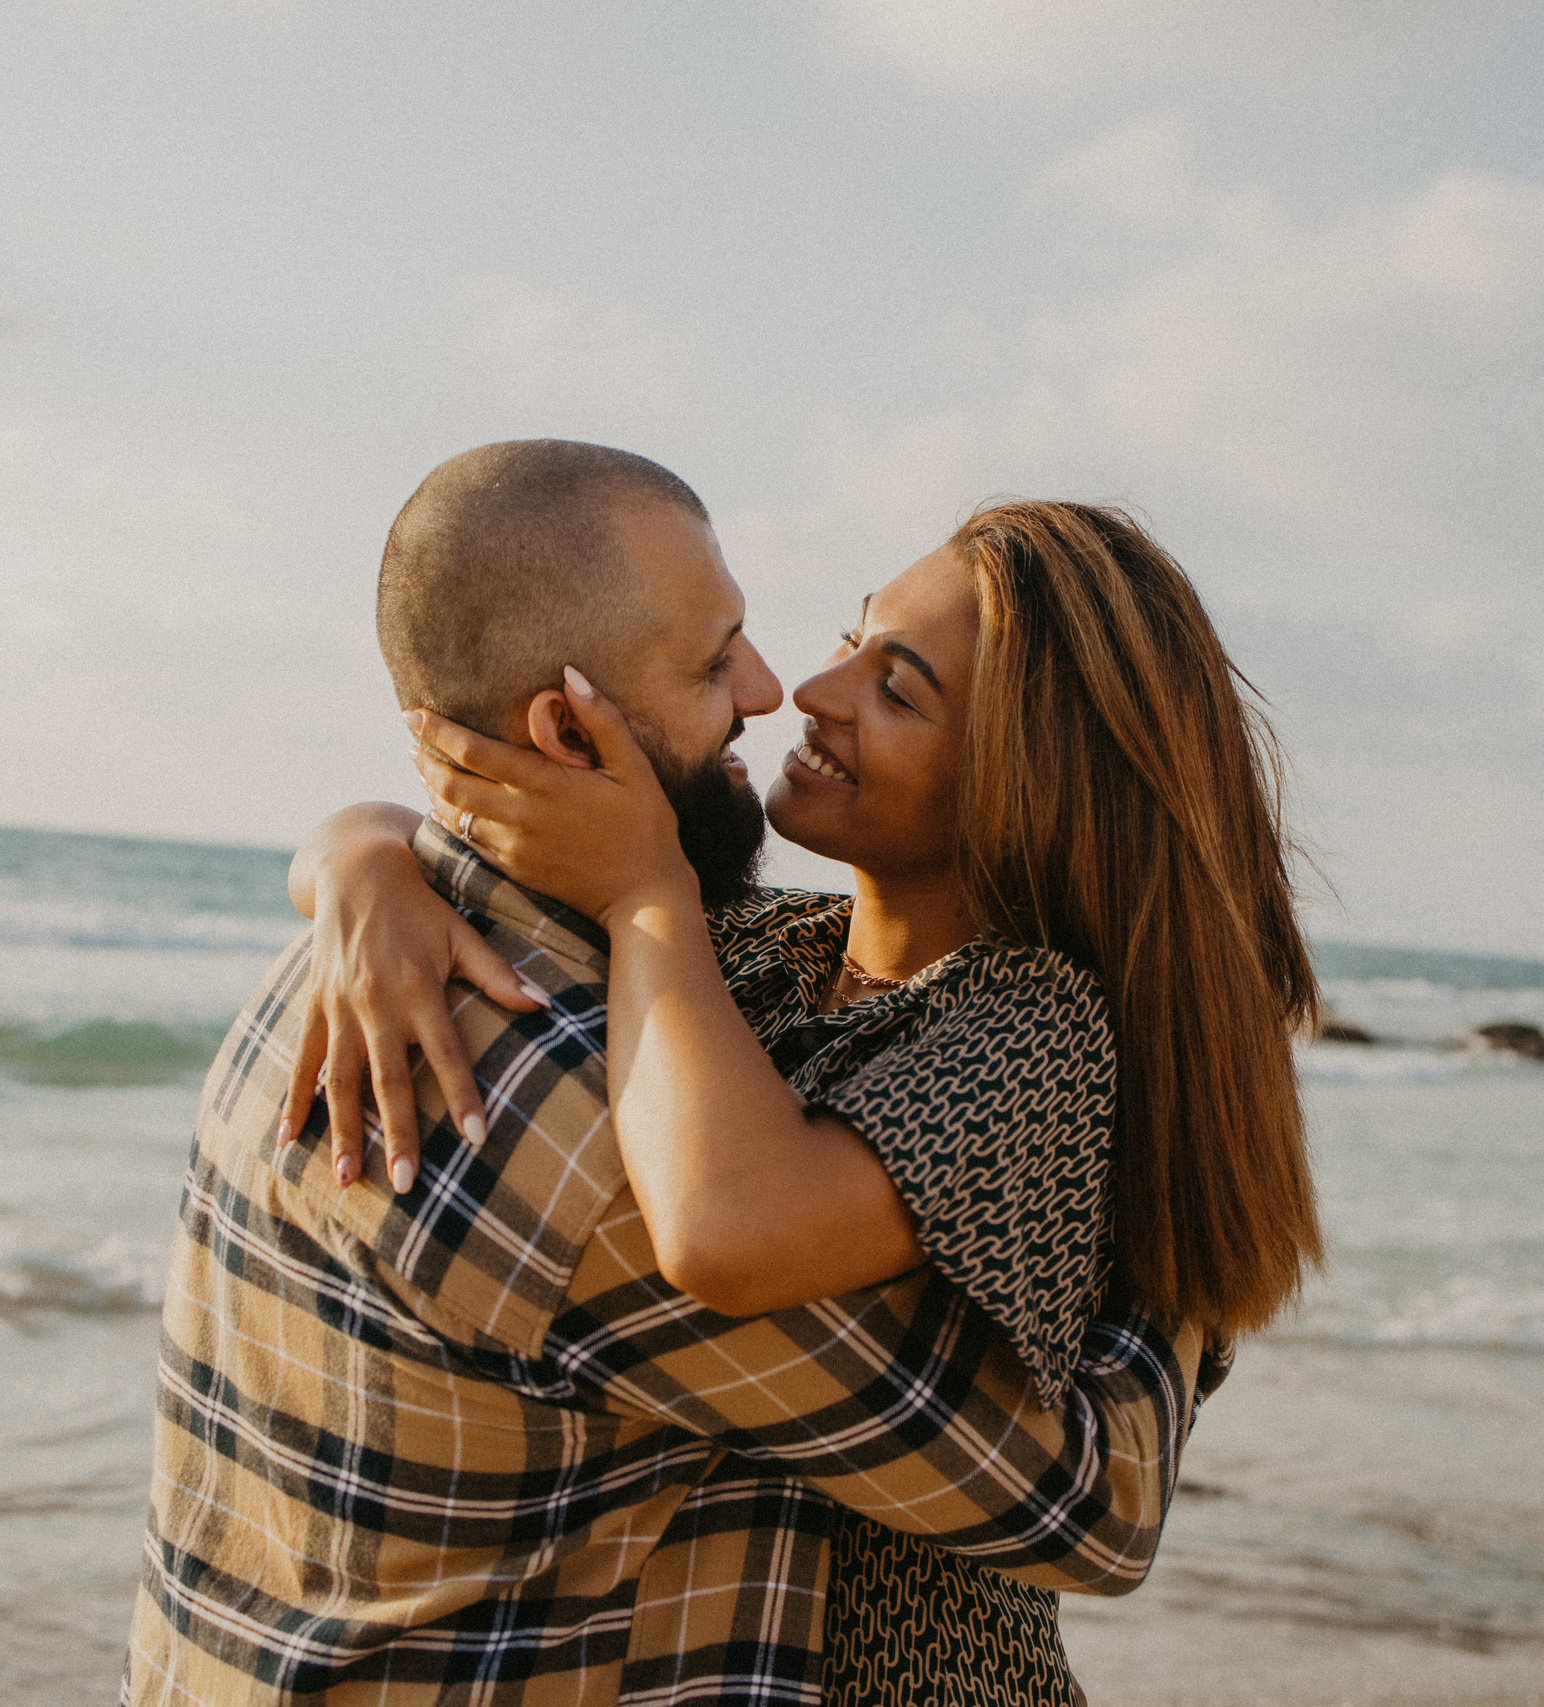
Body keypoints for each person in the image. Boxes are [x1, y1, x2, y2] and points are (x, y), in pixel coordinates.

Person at [125, 442, 1207, 1707]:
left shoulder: (356, 972)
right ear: (565, 728)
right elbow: (1080, 1506)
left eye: (893, 682)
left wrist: (364, 850)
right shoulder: (592, 1128)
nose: (779, 688)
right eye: (713, 663)